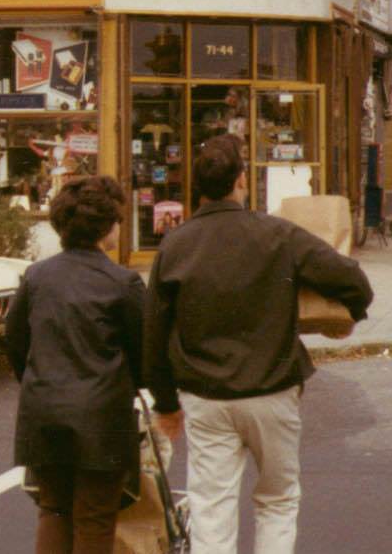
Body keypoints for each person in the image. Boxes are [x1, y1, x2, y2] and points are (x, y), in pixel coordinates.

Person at [144, 134, 373, 554]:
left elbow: (154, 333)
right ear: (242, 181)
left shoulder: (175, 245)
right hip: (272, 388)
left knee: (212, 506)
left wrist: (166, 403)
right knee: (277, 499)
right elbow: (352, 279)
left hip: (205, 396)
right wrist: (348, 316)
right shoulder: (277, 235)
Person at [5, 176, 144, 554]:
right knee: (96, 515)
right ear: (107, 226)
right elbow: (143, 354)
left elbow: (16, 342)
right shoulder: (123, 282)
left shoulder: (36, 277)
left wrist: (38, 379)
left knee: (53, 509)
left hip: (44, 409)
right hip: (102, 418)